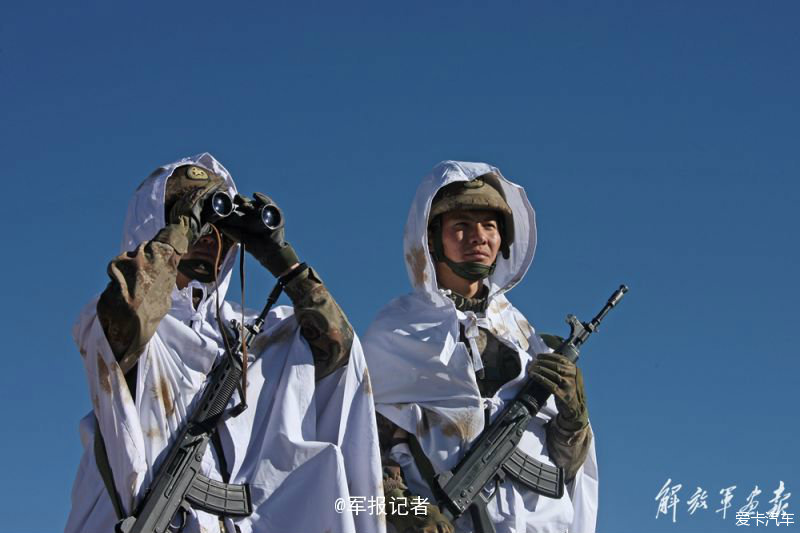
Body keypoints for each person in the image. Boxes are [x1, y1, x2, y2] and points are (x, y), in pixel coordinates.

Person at [65, 153, 383, 533]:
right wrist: (181, 231)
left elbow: (340, 354)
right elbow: (128, 318)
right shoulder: (117, 318)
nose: (209, 237)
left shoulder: (260, 334)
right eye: (199, 222)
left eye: (221, 226)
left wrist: (283, 262)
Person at [362, 161, 598, 533]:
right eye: (462, 226)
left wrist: (574, 413)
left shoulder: (526, 336)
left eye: (489, 226)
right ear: (432, 239)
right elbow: (365, 451)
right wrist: (410, 511)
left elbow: (566, 466)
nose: (479, 237)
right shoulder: (397, 331)